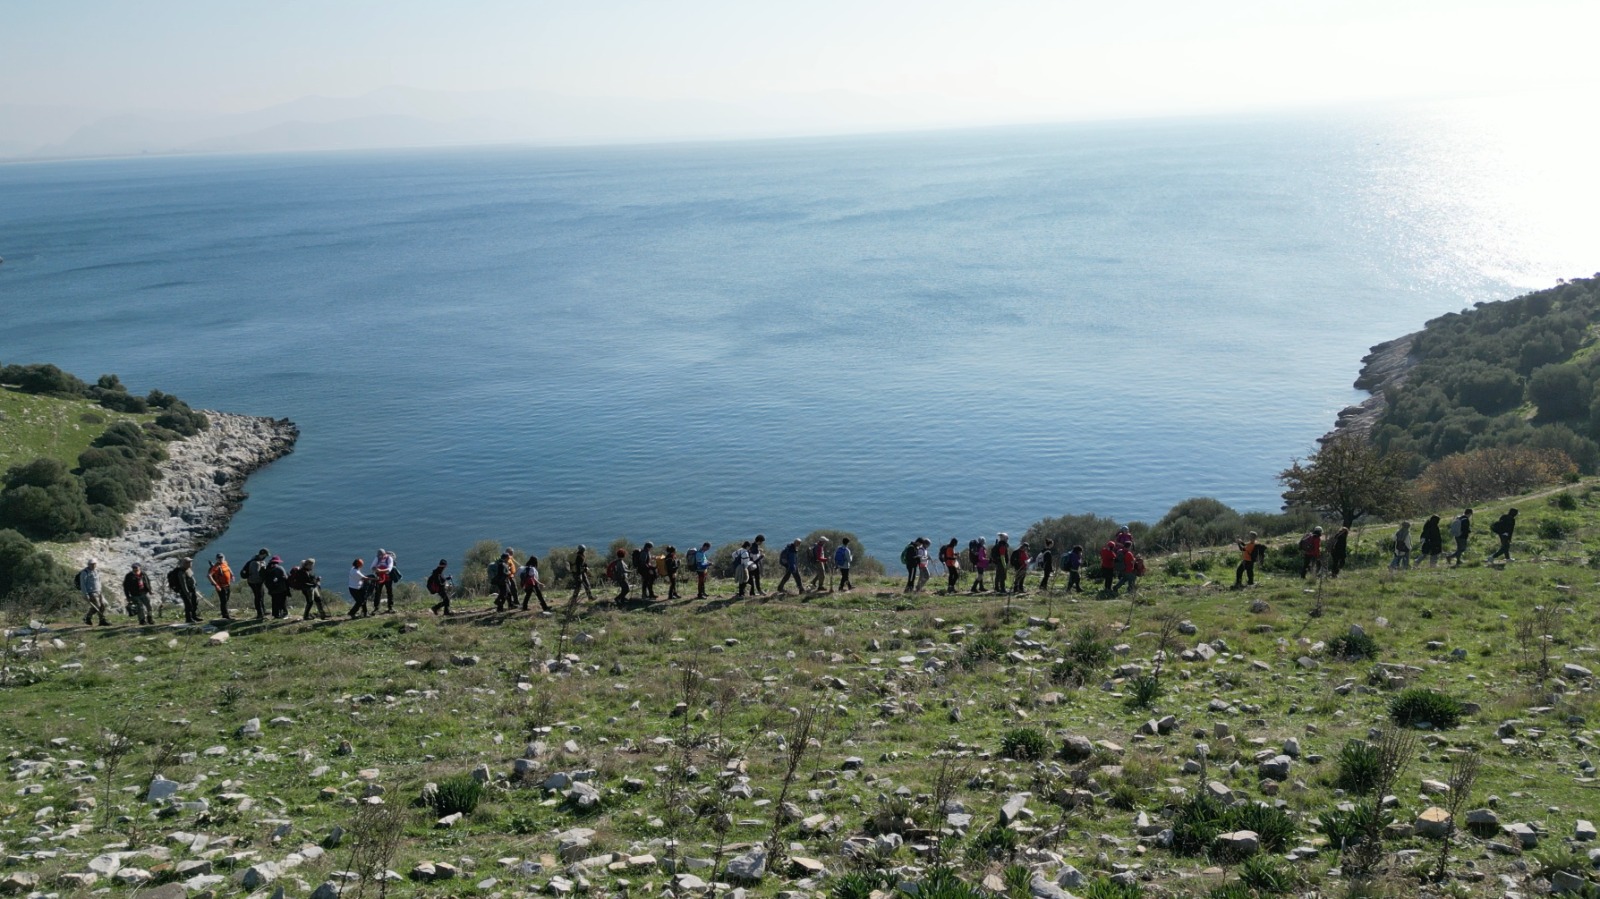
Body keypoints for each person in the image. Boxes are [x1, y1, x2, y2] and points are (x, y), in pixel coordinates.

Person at [76, 558, 109, 627]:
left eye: (94, 564)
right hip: (91, 592)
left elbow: (99, 581)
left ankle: (100, 620)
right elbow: (83, 584)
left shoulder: (97, 571)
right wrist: (86, 594)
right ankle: (90, 618)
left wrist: (100, 590)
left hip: (98, 591)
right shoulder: (84, 572)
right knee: (97, 606)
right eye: (91, 564)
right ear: (88, 564)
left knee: (104, 604)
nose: (93, 565)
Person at [168, 557, 201, 623]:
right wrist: (187, 593)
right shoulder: (181, 572)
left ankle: (194, 616)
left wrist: (194, 584)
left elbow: (191, 577)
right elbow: (183, 584)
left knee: (194, 603)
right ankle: (189, 618)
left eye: (190, 562)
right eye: (189, 562)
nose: (190, 563)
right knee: (188, 604)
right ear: (184, 563)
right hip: (185, 591)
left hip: (192, 589)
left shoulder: (188, 569)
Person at [240, 548, 270, 620]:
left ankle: (263, 611)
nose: (266, 557)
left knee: (261, 596)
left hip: (258, 582)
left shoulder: (259, 561)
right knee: (258, 597)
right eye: (265, 555)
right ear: (263, 554)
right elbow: (255, 574)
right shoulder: (255, 563)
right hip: (255, 582)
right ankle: (260, 614)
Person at [208, 553, 234, 620]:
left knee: (226, 600)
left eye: (221, 557)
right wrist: (216, 585)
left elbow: (228, 568)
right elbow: (209, 575)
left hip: (227, 585)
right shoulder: (216, 567)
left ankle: (225, 613)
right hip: (221, 587)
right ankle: (225, 616)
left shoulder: (225, 563)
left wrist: (232, 575)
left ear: (224, 558)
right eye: (219, 558)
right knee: (223, 601)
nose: (220, 559)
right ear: (216, 559)